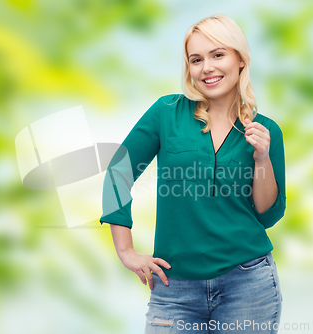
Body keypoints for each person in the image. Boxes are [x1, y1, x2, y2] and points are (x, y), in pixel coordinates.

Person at [100, 14, 285, 334]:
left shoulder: (265, 130)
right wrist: (126, 251)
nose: (207, 68)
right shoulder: (166, 113)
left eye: (218, 55)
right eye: (196, 59)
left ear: (240, 60)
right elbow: (119, 172)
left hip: (248, 285)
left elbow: (267, 214)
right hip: (174, 289)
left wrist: (262, 158)